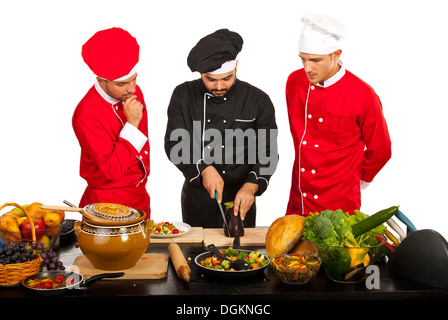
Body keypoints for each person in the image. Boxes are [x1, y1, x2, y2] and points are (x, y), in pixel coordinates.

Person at [165, 29, 278, 227]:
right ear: (201, 74)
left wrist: (251, 186)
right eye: (210, 79)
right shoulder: (183, 95)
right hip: (198, 200)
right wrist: (204, 168)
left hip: (241, 198)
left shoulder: (258, 100)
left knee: (242, 256)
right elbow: (176, 145)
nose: (219, 86)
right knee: (195, 256)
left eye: (227, 78)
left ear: (236, 67)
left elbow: (268, 152)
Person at [285, 13, 392, 216]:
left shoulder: (363, 95)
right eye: (303, 59)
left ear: (336, 54)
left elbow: (382, 148)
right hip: (298, 201)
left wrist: (356, 179)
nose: (308, 68)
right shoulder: (294, 82)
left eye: (316, 60)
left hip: (339, 204)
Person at [72, 27, 151, 218]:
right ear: (101, 80)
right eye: (122, 84)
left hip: (139, 195)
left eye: (134, 79)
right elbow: (112, 170)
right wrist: (131, 124)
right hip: (105, 203)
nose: (132, 89)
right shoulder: (85, 115)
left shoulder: (133, 91)